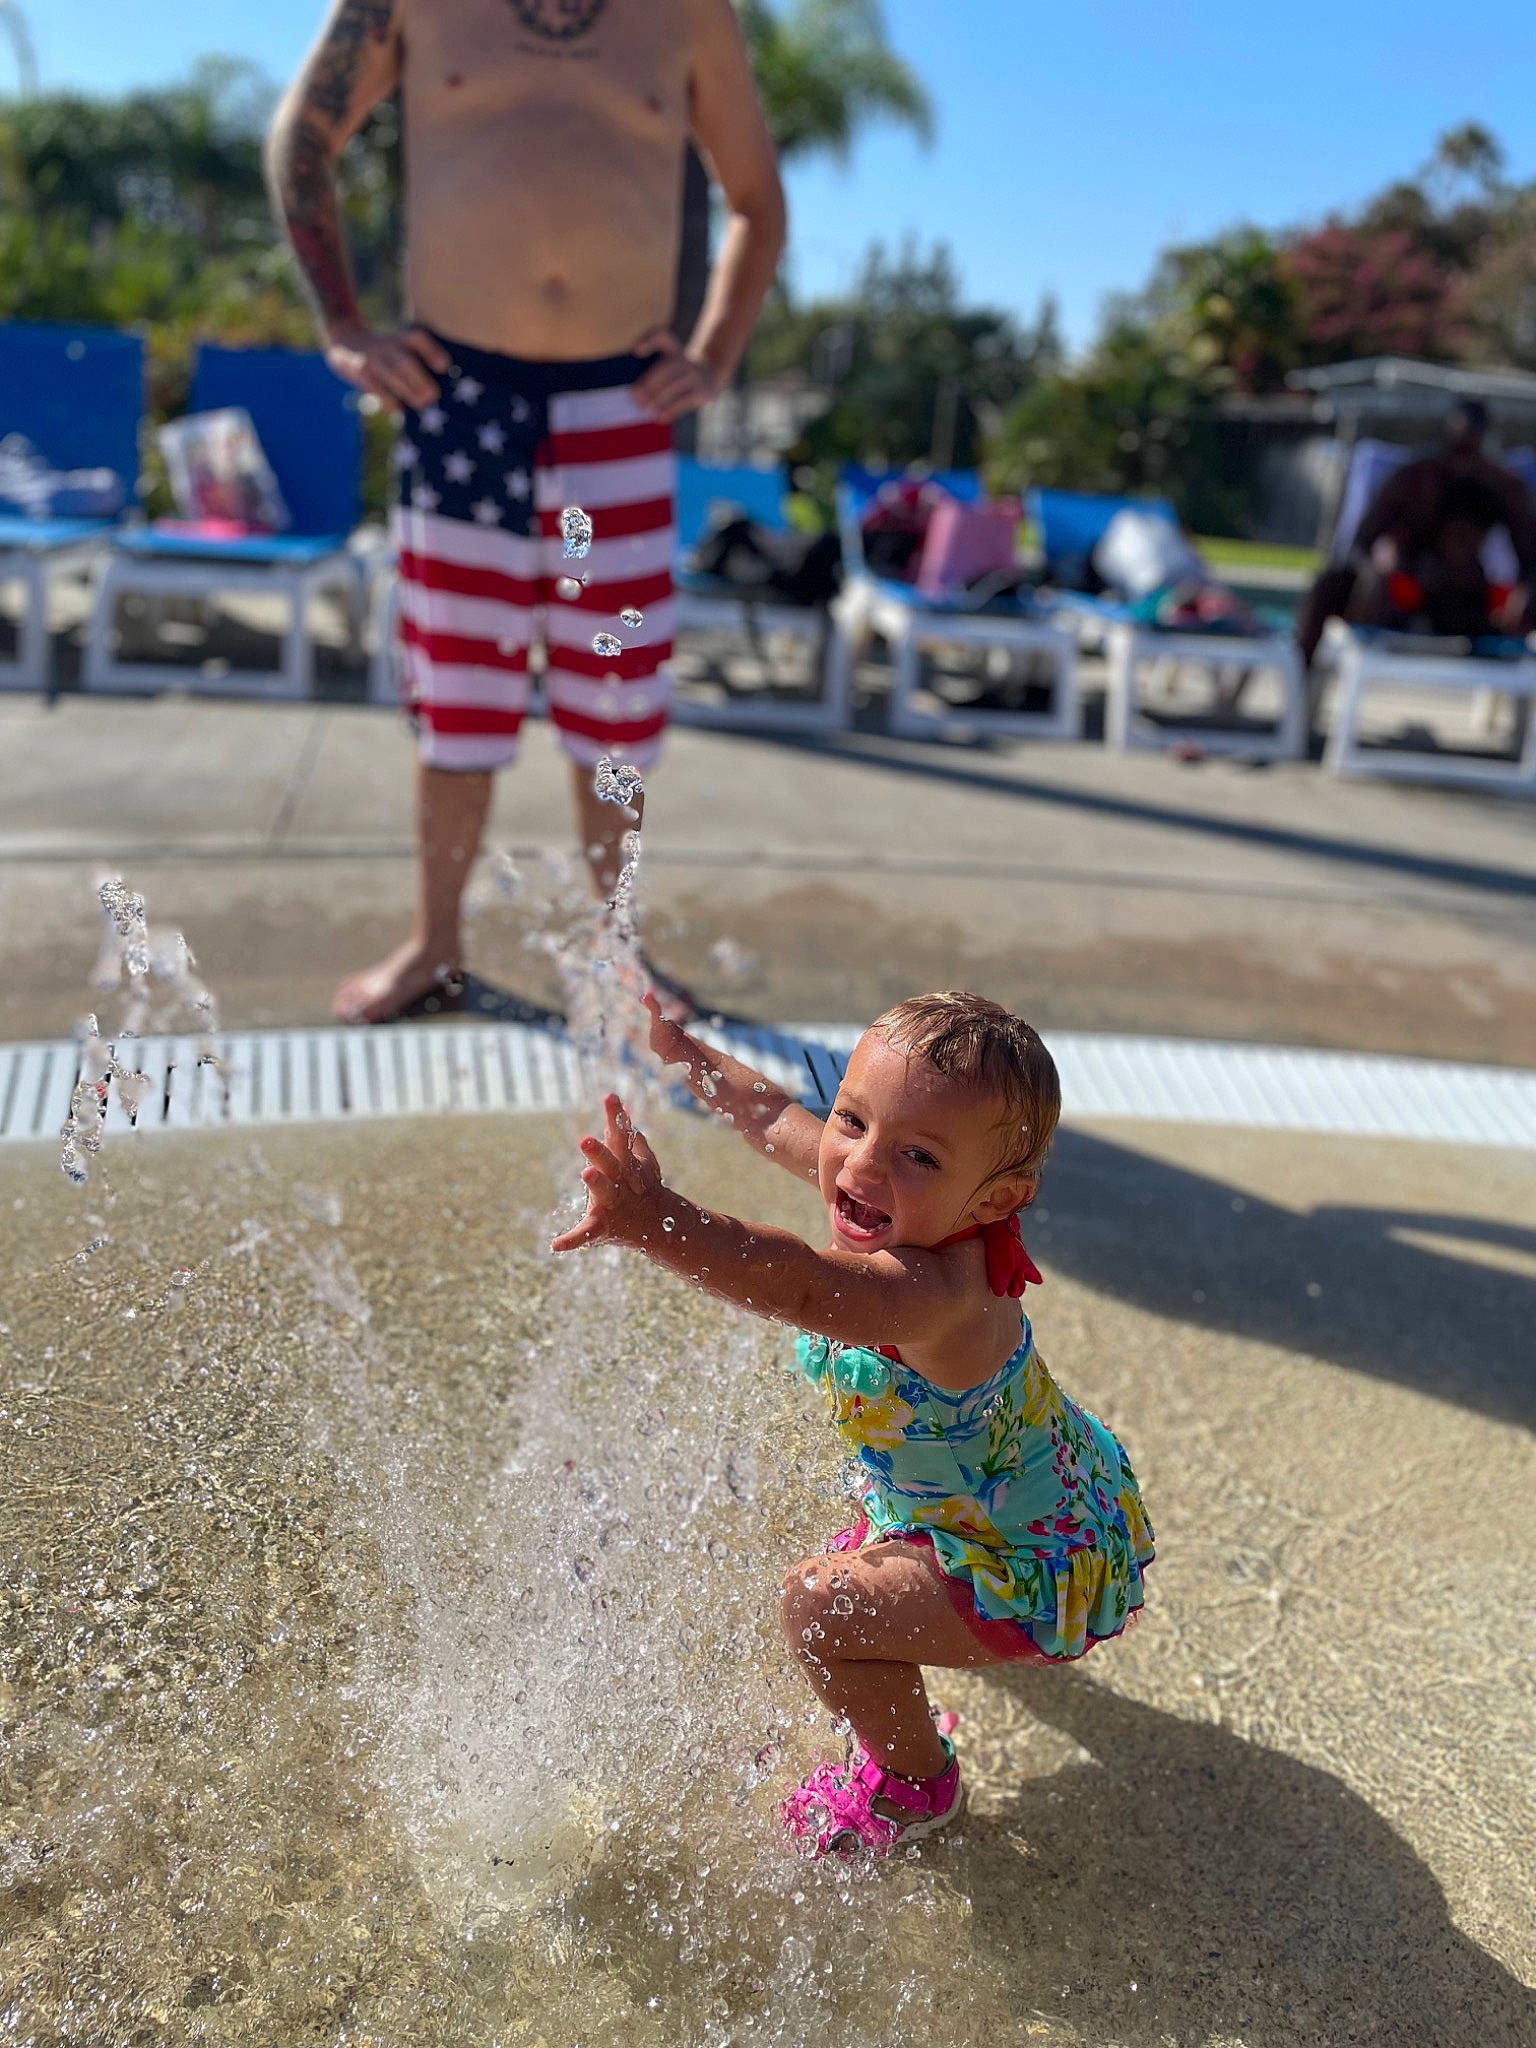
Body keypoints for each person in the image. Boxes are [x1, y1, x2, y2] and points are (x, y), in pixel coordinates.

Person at [267, 0, 786, 1023]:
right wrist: (343, 325)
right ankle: (435, 941)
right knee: (455, 698)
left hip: (622, 405)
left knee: (616, 706)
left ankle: (619, 950)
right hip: (454, 396)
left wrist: (716, 353)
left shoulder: (688, 12)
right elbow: (304, 136)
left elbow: (756, 199)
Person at [552, 989, 1155, 1859]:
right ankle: (918, 1621)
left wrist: (659, 1224)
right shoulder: (884, 1182)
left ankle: (916, 1787)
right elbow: (770, 1116)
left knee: (817, 1611)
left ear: (996, 1200)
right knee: (858, 1566)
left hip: (1030, 1560)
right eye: (852, 1119)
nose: (861, 1165)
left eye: (917, 1154)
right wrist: (678, 1052)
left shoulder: (932, 1291)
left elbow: (796, 1282)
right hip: (1039, 1485)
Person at [1297, 401, 1536, 677]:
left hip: (1467, 601)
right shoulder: (1414, 478)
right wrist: (1370, 573)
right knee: (1331, 584)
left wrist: (1524, 592)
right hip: (1405, 593)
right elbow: (1361, 542)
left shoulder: (1500, 485)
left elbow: (1530, 556)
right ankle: (1301, 685)